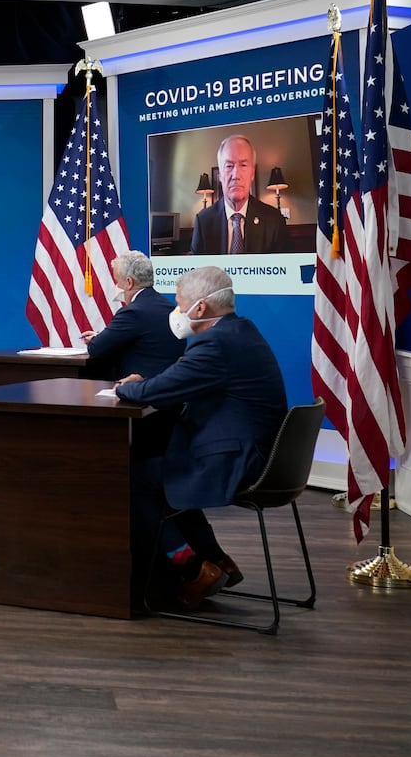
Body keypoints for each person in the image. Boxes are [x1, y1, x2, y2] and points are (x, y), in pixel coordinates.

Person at [114, 266, 286, 608]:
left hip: (239, 459)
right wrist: (148, 383)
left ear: (201, 308)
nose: (177, 311)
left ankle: (193, 569)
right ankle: (215, 559)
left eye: (179, 303)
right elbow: (180, 378)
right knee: (165, 473)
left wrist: (129, 389)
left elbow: (162, 391)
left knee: (131, 480)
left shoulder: (217, 342)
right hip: (264, 456)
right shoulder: (241, 331)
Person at [80, 250, 182, 383]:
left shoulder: (133, 312)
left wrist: (96, 339)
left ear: (129, 282)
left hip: (138, 389)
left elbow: (95, 348)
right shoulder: (168, 306)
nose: (116, 286)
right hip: (168, 387)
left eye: (117, 282)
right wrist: (100, 337)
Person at [189, 135, 287, 255]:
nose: (236, 175)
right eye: (229, 166)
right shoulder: (203, 221)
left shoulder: (274, 221)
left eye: (243, 165)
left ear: (252, 174)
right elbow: (198, 272)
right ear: (220, 176)